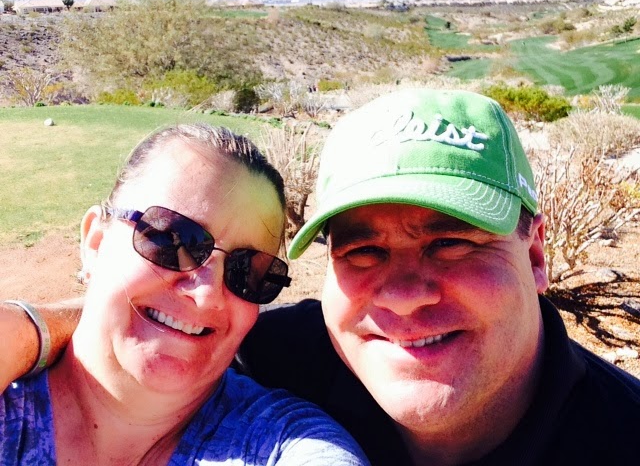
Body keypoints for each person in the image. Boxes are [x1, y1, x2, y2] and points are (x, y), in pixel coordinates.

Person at [5, 90, 640, 465]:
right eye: (363, 251)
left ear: (536, 256)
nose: (403, 295)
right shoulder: (281, 350)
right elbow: (169, 330)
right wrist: (32, 330)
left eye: (451, 243)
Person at [0, 124, 369, 465]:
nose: (208, 294)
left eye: (249, 272)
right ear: (95, 242)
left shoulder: (285, 445)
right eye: (171, 240)